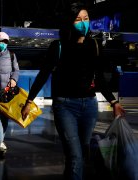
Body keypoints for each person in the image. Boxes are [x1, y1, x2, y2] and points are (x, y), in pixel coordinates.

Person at [21, 2, 126, 180]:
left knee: (80, 153)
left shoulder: (94, 45)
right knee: (75, 156)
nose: (84, 23)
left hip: (89, 106)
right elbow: (43, 75)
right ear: (70, 22)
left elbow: (99, 77)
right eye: (78, 19)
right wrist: (29, 101)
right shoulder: (58, 46)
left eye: (86, 19)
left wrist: (113, 102)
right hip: (65, 106)